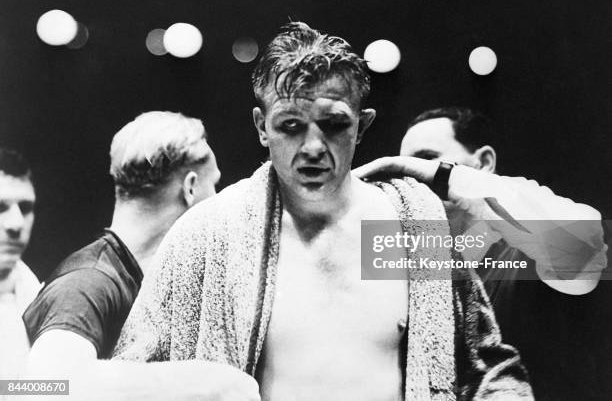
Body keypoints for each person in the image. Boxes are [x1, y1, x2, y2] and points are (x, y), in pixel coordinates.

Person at [114, 23, 533, 400]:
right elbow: (132, 375)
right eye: (291, 126)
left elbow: (485, 364)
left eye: (332, 124)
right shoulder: (210, 233)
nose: (313, 147)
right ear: (262, 127)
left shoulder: (400, 228)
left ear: (362, 126)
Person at [352, 106, 608, 399]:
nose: (411, 177)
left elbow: (584, 248)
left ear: (484, 162)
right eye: (403, 168)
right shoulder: (411, 268)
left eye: (425, 159)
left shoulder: (528, 251)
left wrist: (444, 177)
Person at [23, 111, 220, 361]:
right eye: (214, 184)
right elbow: (41, 389)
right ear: (190, 187)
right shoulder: (86, 286)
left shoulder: (127, 275)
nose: (217, 199)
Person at [0, 148, 41, 379]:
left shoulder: (43, 299)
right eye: (0, 207)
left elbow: (59, 388)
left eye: (25, 208)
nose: (16, 224)